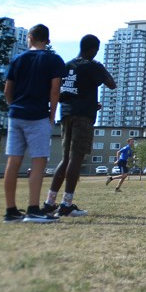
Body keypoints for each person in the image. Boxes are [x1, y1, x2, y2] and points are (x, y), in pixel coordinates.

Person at [42, 34, 116, 217]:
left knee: (65, 158)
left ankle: (49, 202)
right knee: (76, 158)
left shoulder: (66, 66)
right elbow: (111, 84)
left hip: (66, 114)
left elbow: (63, 91)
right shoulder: (92, 66)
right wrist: (100, 66)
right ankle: (66, 204)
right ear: (93, 49)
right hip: (83, 117)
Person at [2, 24, 66, 223]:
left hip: (16, 114)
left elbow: (7, 90)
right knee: (39, 160)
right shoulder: (53, 60)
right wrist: (51, 115)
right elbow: (55, 90)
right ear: (47, 40)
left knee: (14, 161)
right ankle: (33, 209)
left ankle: (11, 210)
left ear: (29, 37)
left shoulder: (17, 59)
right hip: (37, 115)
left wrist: (14, 107)